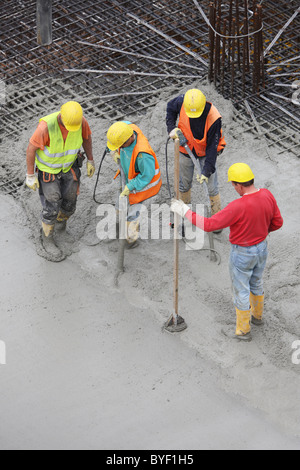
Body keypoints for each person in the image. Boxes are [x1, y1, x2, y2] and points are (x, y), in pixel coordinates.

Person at [171, 163, 283, 341]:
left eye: (233, 185)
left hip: (242, 254)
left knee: (241, 290)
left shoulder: (237, 206)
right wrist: (261, 231)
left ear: (239, 185)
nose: (234, 188)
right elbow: (278, 223)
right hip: (262, 249)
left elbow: (209, 225)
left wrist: (185, 211)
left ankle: (243, 330)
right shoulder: (267, 195)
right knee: (256, 282)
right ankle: (258, 317)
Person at [26, 101, 95, 259]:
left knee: (70, 203)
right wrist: (30, 175)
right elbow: (31, 149)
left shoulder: (80, 122)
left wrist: (90, 160)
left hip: (69, 167)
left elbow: (87, 138)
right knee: (52, 205)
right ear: (61, 117)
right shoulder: (46, 127)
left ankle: (61, 228)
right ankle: (47, 239)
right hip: (49, 171)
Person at [166, 88, 226, 230]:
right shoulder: (182, 102)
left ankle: (216, 221)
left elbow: (212, 147)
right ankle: (183, 216)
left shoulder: (214, 118)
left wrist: (207, 170)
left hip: (206, 152)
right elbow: (170, 108)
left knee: (211, 187)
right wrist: (171, 128)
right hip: (185, 147)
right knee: (183, 185)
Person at [106, 121, 162, 246]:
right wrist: (112, 150)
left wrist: (130, 186)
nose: (119, 147)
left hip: (142, 185)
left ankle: (130, 241)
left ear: (129, 139)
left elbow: (147, 175)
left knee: (133, 213)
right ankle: (118, 230)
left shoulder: (143, 154)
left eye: (121, 145)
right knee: (120, 206)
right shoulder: (128, 129)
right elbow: (115, 135)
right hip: (129, 177)